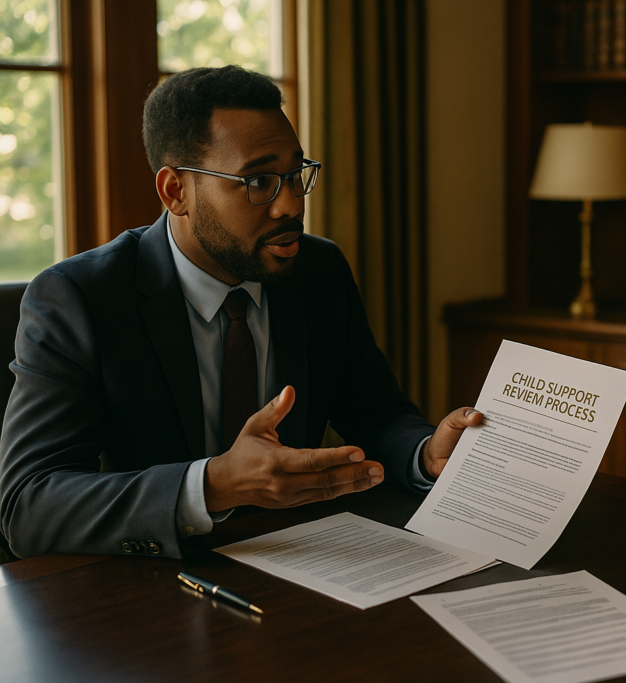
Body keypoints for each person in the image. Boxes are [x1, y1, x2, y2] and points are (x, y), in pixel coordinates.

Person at [0, 65, 482, 559]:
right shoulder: (77, 298)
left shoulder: (318, 270)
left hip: (307, 563)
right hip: (145, 589)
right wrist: (213, 485)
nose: (289, 205)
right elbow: (30, 506)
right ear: (175, 192)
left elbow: (375, 412)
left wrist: (426, 455)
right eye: (258, 181)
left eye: (296, 175)